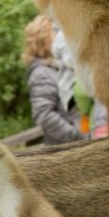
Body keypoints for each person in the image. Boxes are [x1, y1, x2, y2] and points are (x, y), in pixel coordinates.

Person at [21, 14, 86, 145]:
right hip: (67, 149)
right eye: (55, 32)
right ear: (42, 39)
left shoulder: (56, 66)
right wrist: (78, 137)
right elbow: (44, 115)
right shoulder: (42, 73)